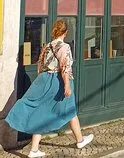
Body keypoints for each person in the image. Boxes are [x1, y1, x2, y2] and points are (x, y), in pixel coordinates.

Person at [6, 20, 94, 157]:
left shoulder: (47, 46)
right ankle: (80, 140)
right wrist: (66, 85)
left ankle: (34, 149)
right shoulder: (64, 47)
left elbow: (40, 65)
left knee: (41, 111)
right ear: (65, 32)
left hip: (44, 79)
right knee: (70, 110)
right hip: (58, 81)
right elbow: (65, 67)